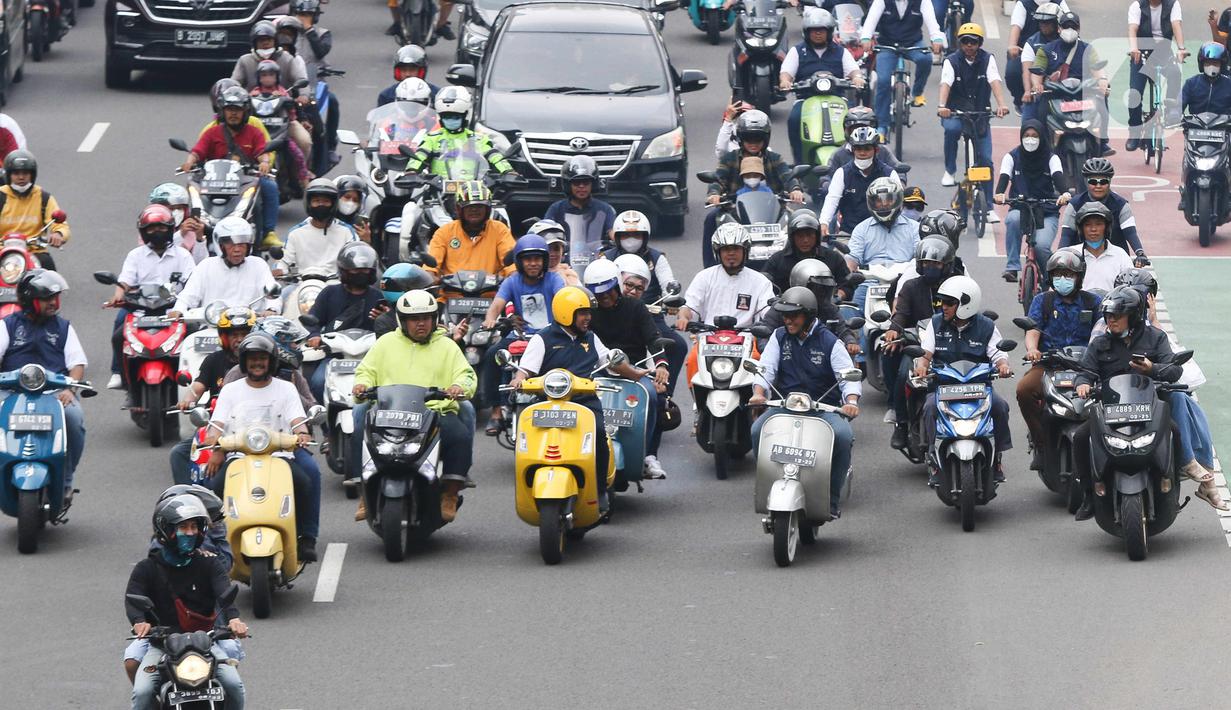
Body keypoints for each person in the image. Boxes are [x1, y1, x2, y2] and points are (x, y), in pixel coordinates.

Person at [1072, 286, 1227, 517]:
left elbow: (1174, 370)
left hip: (1149, 408)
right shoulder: (1099, 344)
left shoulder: (1156, 338)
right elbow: (1085, 371)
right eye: (1108, 315)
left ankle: (1173, 483)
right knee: (1081, 438)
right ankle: (1088, 495)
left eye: (1117, 315)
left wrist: (1152, 368)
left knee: (1174, 431)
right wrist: (1082, 384)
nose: (1111, 320)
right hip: (1112, 410)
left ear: (1133, 316)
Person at [509, 286, 652, 512]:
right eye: (583, 313)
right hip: (548, 402)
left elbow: (611, 360)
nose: (588, 318)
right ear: (567, 312)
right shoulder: (543, 338)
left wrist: (634, 373)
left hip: (583, 402)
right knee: (526, 439)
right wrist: (518, 378)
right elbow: (525, 369)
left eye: (588, 313)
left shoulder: (591, 338)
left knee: (599, 435)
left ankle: (601, 490)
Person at [352, 290, 477, 521]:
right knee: (360, 431)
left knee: (458, 435)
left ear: (434, 319)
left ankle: (450, 492)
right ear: (402, 320)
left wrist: (459, 387)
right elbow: (366, 371)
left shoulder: (447, 346)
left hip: (434, 413)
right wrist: (362, 385)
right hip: (389, 413)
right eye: (414, 319)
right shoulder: (386, 343)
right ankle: (364, 491)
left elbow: (466, 375)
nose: (421, 324)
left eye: (426, 318)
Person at [203, 334, 320, 562]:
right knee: (211, 486)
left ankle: (307, 537)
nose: (257, 363)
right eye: (252, 358)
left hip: (281, 456)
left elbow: (297, 420)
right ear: (244, 362)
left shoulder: (286, 388)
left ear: (272, 361)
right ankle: (213, 541)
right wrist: (214, 442)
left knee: (309, 477)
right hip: (237, 456)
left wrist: (302, 434)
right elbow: (217, 423)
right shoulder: (231, 390)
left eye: (262, 358)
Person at [125, 494, 248, 710]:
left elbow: (224, 592)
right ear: (167, 531)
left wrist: (234, 619)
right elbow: (134, 597)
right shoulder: (146, 568)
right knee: (142, 692)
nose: (190, 533)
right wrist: (139, 621)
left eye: (194, 527)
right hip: (162, 644)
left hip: (205, 643)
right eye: (184, 527)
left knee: (234, 685)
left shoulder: (210, 563)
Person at [749, 287, 860, 518]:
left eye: (794, 316)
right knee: (758, 430)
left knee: (843, 436)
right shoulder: (779, 337)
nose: (787, 320)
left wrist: (850, 401)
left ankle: (831, 499)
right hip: (785, 406)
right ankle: (770, 486)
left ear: (809, 315)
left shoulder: (830, 342)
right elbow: (765, 369)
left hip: (822, 409)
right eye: (785, 315)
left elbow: (847, 376)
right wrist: (759, 392)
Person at [913, 275, 1013, 487]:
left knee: (1000, 407)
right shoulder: (936, 323)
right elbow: (926, 352)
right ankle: (932, 455)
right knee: (929, 407)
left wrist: (1003, 365)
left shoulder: (986, 326)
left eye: (950, 303)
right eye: (942, 302)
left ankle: (997, 459)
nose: (944, 307)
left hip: (978, 388)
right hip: (944, 387)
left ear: (966, 304)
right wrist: (922, 366)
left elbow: (998, 353)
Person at [0, 270, 86, 502]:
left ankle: (66, 481)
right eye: (47, 298)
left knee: (74, 419)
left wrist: (71, 389)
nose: (54, 303)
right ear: (30, 301)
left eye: (55, 297)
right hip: (11, 392)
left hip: (54, 393)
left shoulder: (63, 327)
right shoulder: (7, 325)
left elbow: (77, 363)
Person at [586, 260, 671, 479]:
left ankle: (648, 454)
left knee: (653, 396)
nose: (603, 297)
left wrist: (661, 365)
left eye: (607, 292)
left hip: (635, 372)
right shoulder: (588, 312)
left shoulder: (636, 307)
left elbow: (654, 339)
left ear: (616, 285)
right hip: (597, 373)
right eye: (598, 294)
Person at [1017, 250, 1101, 470]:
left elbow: (1102, 332)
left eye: (1069, 274)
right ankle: (1040, 442)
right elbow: (1033, 329)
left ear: (1079, 277)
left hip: (1086, 366)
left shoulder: (1093, 302)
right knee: (1024, 389)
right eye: (1058, 274)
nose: (1063, 279)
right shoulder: (1042, 301)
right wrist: (1033, 350)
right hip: (1049, 364)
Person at [105, 205, 197, 390]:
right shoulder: (135, 255)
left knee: (195, 333)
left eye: (162, 227)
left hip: (174, 310)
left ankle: (195, 375)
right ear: (144, 232)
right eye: (151, 229)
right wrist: (118, 297)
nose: (157, 232)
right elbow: (124, 282)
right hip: (141, 309)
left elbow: (193, 283)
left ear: (171, 229)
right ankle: (119, 373)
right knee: (118, 333)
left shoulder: (183, 255)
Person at [179, 86, 282, 249]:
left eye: (237, 109)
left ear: (245, 111)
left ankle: (267, 233)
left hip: (244, 180)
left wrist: (264, 163)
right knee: (188, 191)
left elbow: (262, 152)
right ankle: (185, 232)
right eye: (229, 109)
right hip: (213, 181)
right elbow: (197, 151)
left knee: (270, 186)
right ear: (222, 111)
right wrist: (189, 162)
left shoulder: (255, 132)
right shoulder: (212, 132)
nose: (233, 113)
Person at [480, 235, 565, 431]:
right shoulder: (512, 281)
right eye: (528, 259)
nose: (533, 263)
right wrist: (490, 319)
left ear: (544, 261)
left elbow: (563, 298)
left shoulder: (554, 279)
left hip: (549, 337)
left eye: (537, 259)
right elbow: (496, 305)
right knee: (493, 354)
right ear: (519, 261)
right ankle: (496, 411)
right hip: (520, 337)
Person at [884, 234, 959, 446]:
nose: (930, 267)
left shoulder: (956, 286)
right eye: (926, 263)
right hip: (917, 344)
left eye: (935, 263)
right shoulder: (910, 286)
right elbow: (900, 313)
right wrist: (893, 329)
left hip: (952, 343)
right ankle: (902, 424)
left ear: (946, 265)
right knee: (902, 375)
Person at [703, 111, 805, 266]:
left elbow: (787, 176)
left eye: (758, 138)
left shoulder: (775, 158)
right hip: (734, 210)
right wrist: (714, 194)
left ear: (766, 139)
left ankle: (801, 263)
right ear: (740, 138)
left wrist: (795, 189)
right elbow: (718, 179)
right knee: (711, 219)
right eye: (748, 138)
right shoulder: (729, 158)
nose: (753, 142)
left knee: (801, 221)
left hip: (774, 211)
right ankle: (710, 267)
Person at [603, 210, 687, 395]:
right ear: (617, 237)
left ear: (645, 237)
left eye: (636, 234)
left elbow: (668, 284)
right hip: (610, 313)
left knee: (678, 345)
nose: (631, 239)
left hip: (650, 315)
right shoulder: (605, 257)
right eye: (625, 235)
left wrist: (672, 302)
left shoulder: (657, 258)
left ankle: (664, 393)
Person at [170, 307, 256, 485]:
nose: (239, 339)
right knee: (178, 453)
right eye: (234, 335)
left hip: (251, 425)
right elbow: (198, 386)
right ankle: (188, 499)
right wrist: (188, 400)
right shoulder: (214, 360)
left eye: (243, 334)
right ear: (224, 337)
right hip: (216, 423)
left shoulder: (259, 361)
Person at [936, 22, 1010, 219]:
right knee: (951, 129)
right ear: (960, 43)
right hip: (956, 112)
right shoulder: (951, 61)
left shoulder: (988, 59)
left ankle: (989, 208)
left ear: (980, 43)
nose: (969, 46)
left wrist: (1001, 104)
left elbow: (994, 81)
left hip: (980, 114)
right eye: (965, 42)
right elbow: (945, 83)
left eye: (973, 42)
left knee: (986, 159)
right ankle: (950, 170)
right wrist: (942, 106)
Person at [779, 7, 867, 164]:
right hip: (805, 100)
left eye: (822, 30)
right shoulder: (797, 51)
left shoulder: (841, 52)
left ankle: (856, 159)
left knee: (856, 120)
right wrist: (785, 81)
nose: (818, 33)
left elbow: (853, 70)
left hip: (838, 99)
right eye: (813, 30)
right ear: (807, 32)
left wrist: (857, 78)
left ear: (829, 31)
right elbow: (786, 73)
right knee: (794, 119)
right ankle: (800, 163)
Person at [994, 119, 1071, 282]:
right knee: (1012, 220)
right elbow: (1003, 178)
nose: (1030, 139)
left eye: (1034, 135)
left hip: (1047, 211)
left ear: (1042, 137)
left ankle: (1050, 278)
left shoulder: (1051, 158)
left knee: (1042, 246)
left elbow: (1059, 179)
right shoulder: (1012, 157)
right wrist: (999, 194)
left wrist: (1065, 194)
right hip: (1020, 208)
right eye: (1027, 135)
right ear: (1021, 136)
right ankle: (1012, 267)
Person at [304, 243, 383, 403]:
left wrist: (383, 319)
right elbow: (314, 319)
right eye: (355, 270)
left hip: (369, 357)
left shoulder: (378, 297)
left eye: (364, 270)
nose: (360, 274)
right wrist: (314, 335)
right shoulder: (329, 293)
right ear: (344, 270)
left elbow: (390, 329)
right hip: (335, 356)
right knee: (319, 383)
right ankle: (326, 422)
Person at [1031, 12, 1114, 155]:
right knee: (1040, 113)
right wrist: (1037, 85)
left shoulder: (1088, 49)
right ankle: (1042, 148)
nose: (1069, 30)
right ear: (1059, 29)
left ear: (1079, 29)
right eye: (1065, 26)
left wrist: (1102, 82)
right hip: (1055, 95)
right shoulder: (1046, 50)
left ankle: (1103, 142)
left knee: (1102, 102)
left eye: (1073, 26)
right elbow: (1036, 73)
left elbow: (1098, 70)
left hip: (1083, 94)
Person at [859, 0, 945, 138]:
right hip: (887, 45)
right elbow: (871, 19)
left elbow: (932, 21)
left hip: (912, 43)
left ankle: (917, 93)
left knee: (926, 59)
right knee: (883, 81)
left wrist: (937, 39)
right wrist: (865, 37)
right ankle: (882, 126)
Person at [844, 178, 920, 325]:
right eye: (878, 200)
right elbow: (852, 259)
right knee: (849, 313)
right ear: (871, 202)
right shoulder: (861, 229)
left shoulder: (914, 228)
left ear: (898, 200)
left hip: (904, 284)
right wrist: (845, 273)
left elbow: (920, 257)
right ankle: (857, 347)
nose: (884, 204)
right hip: (869, 283)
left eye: (888, 199)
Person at [170, 218, 279, 317]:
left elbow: (272, 290)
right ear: (220, 246)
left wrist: (272, 309)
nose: (237, 249)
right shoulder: (206, 265)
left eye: (241, 244)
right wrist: (178, 309)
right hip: (212, 327)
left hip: (251, 327)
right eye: (231, 244)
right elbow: (189, 295)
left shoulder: (258, 265)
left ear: (248, 245)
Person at [678, 224, 776, 332]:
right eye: (726, 249)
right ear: (718, 252)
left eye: (736, 248)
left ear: (745, 251)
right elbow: (689, 307)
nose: (731, 253)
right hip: (707, 338)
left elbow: (768, 313)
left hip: (747, 340)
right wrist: (683, 317)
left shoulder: (760, 282)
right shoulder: (704, 277)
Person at [405, 86, 514, 181]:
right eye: (446, 117)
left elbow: (494, 156)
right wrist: (411, 171)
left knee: (498, 205)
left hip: (475, 189)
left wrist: (508, 171)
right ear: (440, 117)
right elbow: (420, 155)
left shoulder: (479, 139)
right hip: (439, 191)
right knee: (412, 205)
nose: (450, 121)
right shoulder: (431, 138)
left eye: (455, 117)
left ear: (466, 115)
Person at [758, 258, 860, 357]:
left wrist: (850, 342)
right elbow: (765, 334)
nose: (822, 293)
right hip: (786, 361)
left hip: (822, 362)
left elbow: (842, 330)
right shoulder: (782, 307)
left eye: (825, 289)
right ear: (801, 284)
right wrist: (771, 352)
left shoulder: (828, 308)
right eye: (818, 289)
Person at [1057, 158, 1148, 265]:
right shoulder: (1074, 204)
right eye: (1093, 181)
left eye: (1103, 181)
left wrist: (1140, 253)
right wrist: (1060, 256)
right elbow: (1066, 236)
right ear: (1086, 182)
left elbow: (1130, 233)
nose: (1098, 186)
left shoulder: (1121, 204)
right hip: (1081, 262)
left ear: (1110, 181)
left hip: (1115, 261)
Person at [1126, 0, 1188, 151]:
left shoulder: (1173, 4)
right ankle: (1134, 131)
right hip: (1141, 55)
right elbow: (1133, 29)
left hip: (1163, 53)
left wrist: (1181, 48)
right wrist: (1134, 48)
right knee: (1135, 93)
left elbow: (1176, 25)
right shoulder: (1137, 6)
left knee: (1174, 74)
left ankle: (1171, 112)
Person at [818, 126, 901, 236]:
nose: (862, 153)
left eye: (867, 149)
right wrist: (823, 222)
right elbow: (832, 199)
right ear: (852, 150)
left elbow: (899, 205)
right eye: (858, 148)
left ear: (876, 150)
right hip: (849, 234)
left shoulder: (889, 173)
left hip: (882, 234)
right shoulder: (842, 173)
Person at [425, 181, 516, 280]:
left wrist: (514, 275)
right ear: (459, 209)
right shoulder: (444, 232)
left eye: (479, 206)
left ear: (488, 209)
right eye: (469, 207)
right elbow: (431, 267)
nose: (474, 210)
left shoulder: (499, 230)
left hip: (491, 294)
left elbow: (511, 263)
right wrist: (430, 277)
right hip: (451, 294)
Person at [543, 155, 617, 276]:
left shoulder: (605, 209)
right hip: (564, 264)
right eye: (577, 182)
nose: (581, 186)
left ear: (593, 184)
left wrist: (622, 240)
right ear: (568, 184)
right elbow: (545, 231)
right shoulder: (556, 209)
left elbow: (613, 232)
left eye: (586, 182)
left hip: (598, 262)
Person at [0, 150, 70, 269]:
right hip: (3, 251)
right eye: (16, 173)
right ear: (9, 175)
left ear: (32, 175)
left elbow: (60, 224)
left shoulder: (43, 197)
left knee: (51, 277)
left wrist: (58, 234)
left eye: (25, 173)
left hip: (34, 251)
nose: (21, 177)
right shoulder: (1, 195)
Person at [248, 59, 313, 188]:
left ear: (277, 77)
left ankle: (303, 179)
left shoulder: (284, 92)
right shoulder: (253, 94)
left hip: (285, 127)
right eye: (264, 75)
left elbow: (294, 111)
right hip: (260, 129)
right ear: (258, 78)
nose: (267, 78)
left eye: (271, 75)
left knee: (304, 142)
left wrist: (286, 99)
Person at [275, 178, 357, 277]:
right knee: (284, 293)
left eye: (326, 201)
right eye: (316, 201)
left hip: (335, 286)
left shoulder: (346, 232)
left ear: (334, 204)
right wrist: (278, 270)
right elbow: (285, 262)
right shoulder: (296, 233)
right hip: (302, 285)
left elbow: (354, 260)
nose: (321, 205)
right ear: (308, 204)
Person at [764, 209, 853, 297]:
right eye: (800, 236)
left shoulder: (833, 258)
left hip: (826, 308)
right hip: (784, 308)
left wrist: (838, 296)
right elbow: (764, 285)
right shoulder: (777, 260)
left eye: (810, 235)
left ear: (817, 235)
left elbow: (847, 286)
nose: (805, 240)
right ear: (792, 237)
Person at [1008, 0, 1070, 114]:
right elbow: (1031, 71)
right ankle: (1020, 101)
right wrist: (1029, 90)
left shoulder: (1069, 42)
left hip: (1063, 78)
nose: (1044, 25)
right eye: (1041, 22)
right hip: (1028, 55)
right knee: (1012, 72)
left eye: (1048, 22)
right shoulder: (1034, 44)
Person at [1059, 202, 1136, 292]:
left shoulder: (1120, 255)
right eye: (1088, 225)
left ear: (1107, 228)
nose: (1093, 229)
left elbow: (1131, 290)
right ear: (1081, 229)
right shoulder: (1071, 255)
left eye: (1098, 224)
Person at [231, 20, 308, 90]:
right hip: (252, 102)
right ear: (255, 43)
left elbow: (300, 79)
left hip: (284, 101)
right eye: (261, 40)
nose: (265, 43)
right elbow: (235, 83)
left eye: (269, 39)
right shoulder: (245, 60)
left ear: (276, 42)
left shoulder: (287, 58)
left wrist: (303, 95)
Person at [149, 183, 208, 263]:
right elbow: (158, 258)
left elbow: (200, 263)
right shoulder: (149, 230)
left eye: (179, 208)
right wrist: (180, 234)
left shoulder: (190, 231)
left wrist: (199, 239)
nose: (176, 212)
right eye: (171, 208)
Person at [1181, 42, 1231, 115]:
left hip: (1223, 125)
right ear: (1202, 64)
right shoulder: (1191, 83)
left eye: (1215, 63)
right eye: (1208, 63)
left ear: (1222, 65)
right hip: (1195, 125)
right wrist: (1174, 114)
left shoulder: (1229, 84)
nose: (1211, 66)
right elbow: (1180, 104)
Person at [531, 219, 581, 286]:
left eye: (556, 248)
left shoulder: (570, 276)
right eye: (547, 248)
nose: (552, 253)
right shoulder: (523, 279)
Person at [334, 174, 373, 244]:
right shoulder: (326, 219)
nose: (350, 203)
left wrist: (367, 241)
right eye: (347, 197)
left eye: (355, 200)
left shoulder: (361, 226)